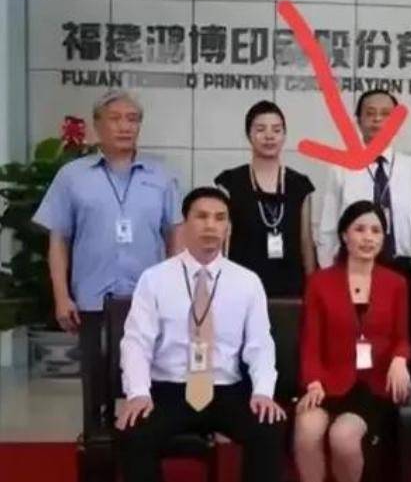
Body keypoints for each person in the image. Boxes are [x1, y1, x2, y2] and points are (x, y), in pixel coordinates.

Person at [32, 89, 183, 438]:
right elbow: (59, 240)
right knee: (96, 384)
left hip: (147, 300)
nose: (125, 127)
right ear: (97, 126)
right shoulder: (72, 176)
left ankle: (143, 448)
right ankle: (97, 449)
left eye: (132, 119)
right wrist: (61, 296)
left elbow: (175, 236)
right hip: (93, 300)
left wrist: (176, 292)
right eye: (115, 119)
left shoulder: (161, 176)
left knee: (147, 382)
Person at [116, 187, 286, 482]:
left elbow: (260, 345)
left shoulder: (247, 282)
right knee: (134, 431)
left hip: (225, 388)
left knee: (268, 427)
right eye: (202, 216)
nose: (211, 225)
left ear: (228, 227)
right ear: (185, 224)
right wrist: (138, 393)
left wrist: (262, 391)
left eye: (220, 218)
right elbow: (136, 342)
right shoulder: (155, 279)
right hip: (169, 388)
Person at [295, 201, 411, 482]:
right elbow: (310, 341)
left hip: (373, 385)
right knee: (307, 429)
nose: (368, 237)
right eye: (359, 229)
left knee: (343, 437)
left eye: (375, 230)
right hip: (328, 381)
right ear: (344, 235)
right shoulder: (320, 282)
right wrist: (313, 382)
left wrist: (400, 360)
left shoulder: (395, 283)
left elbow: (402, 338)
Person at [316, 89, 411, 283]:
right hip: (352, 265)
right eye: (370, 113)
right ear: (358, 121)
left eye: (385, 114)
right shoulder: (341, 168)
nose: (377, 119)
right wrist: (328, 271)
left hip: (402, 267)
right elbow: (328, 226)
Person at [215, 100, 316, 298]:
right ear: (248, 135)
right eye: (260, 129)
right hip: (241, 287)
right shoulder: (230, 183)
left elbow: (306, 242)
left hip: (290, 288)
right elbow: (222, 242)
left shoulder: (300, 185)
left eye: (276, 130)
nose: (269, 136)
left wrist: (312, 289)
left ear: (284, 135)